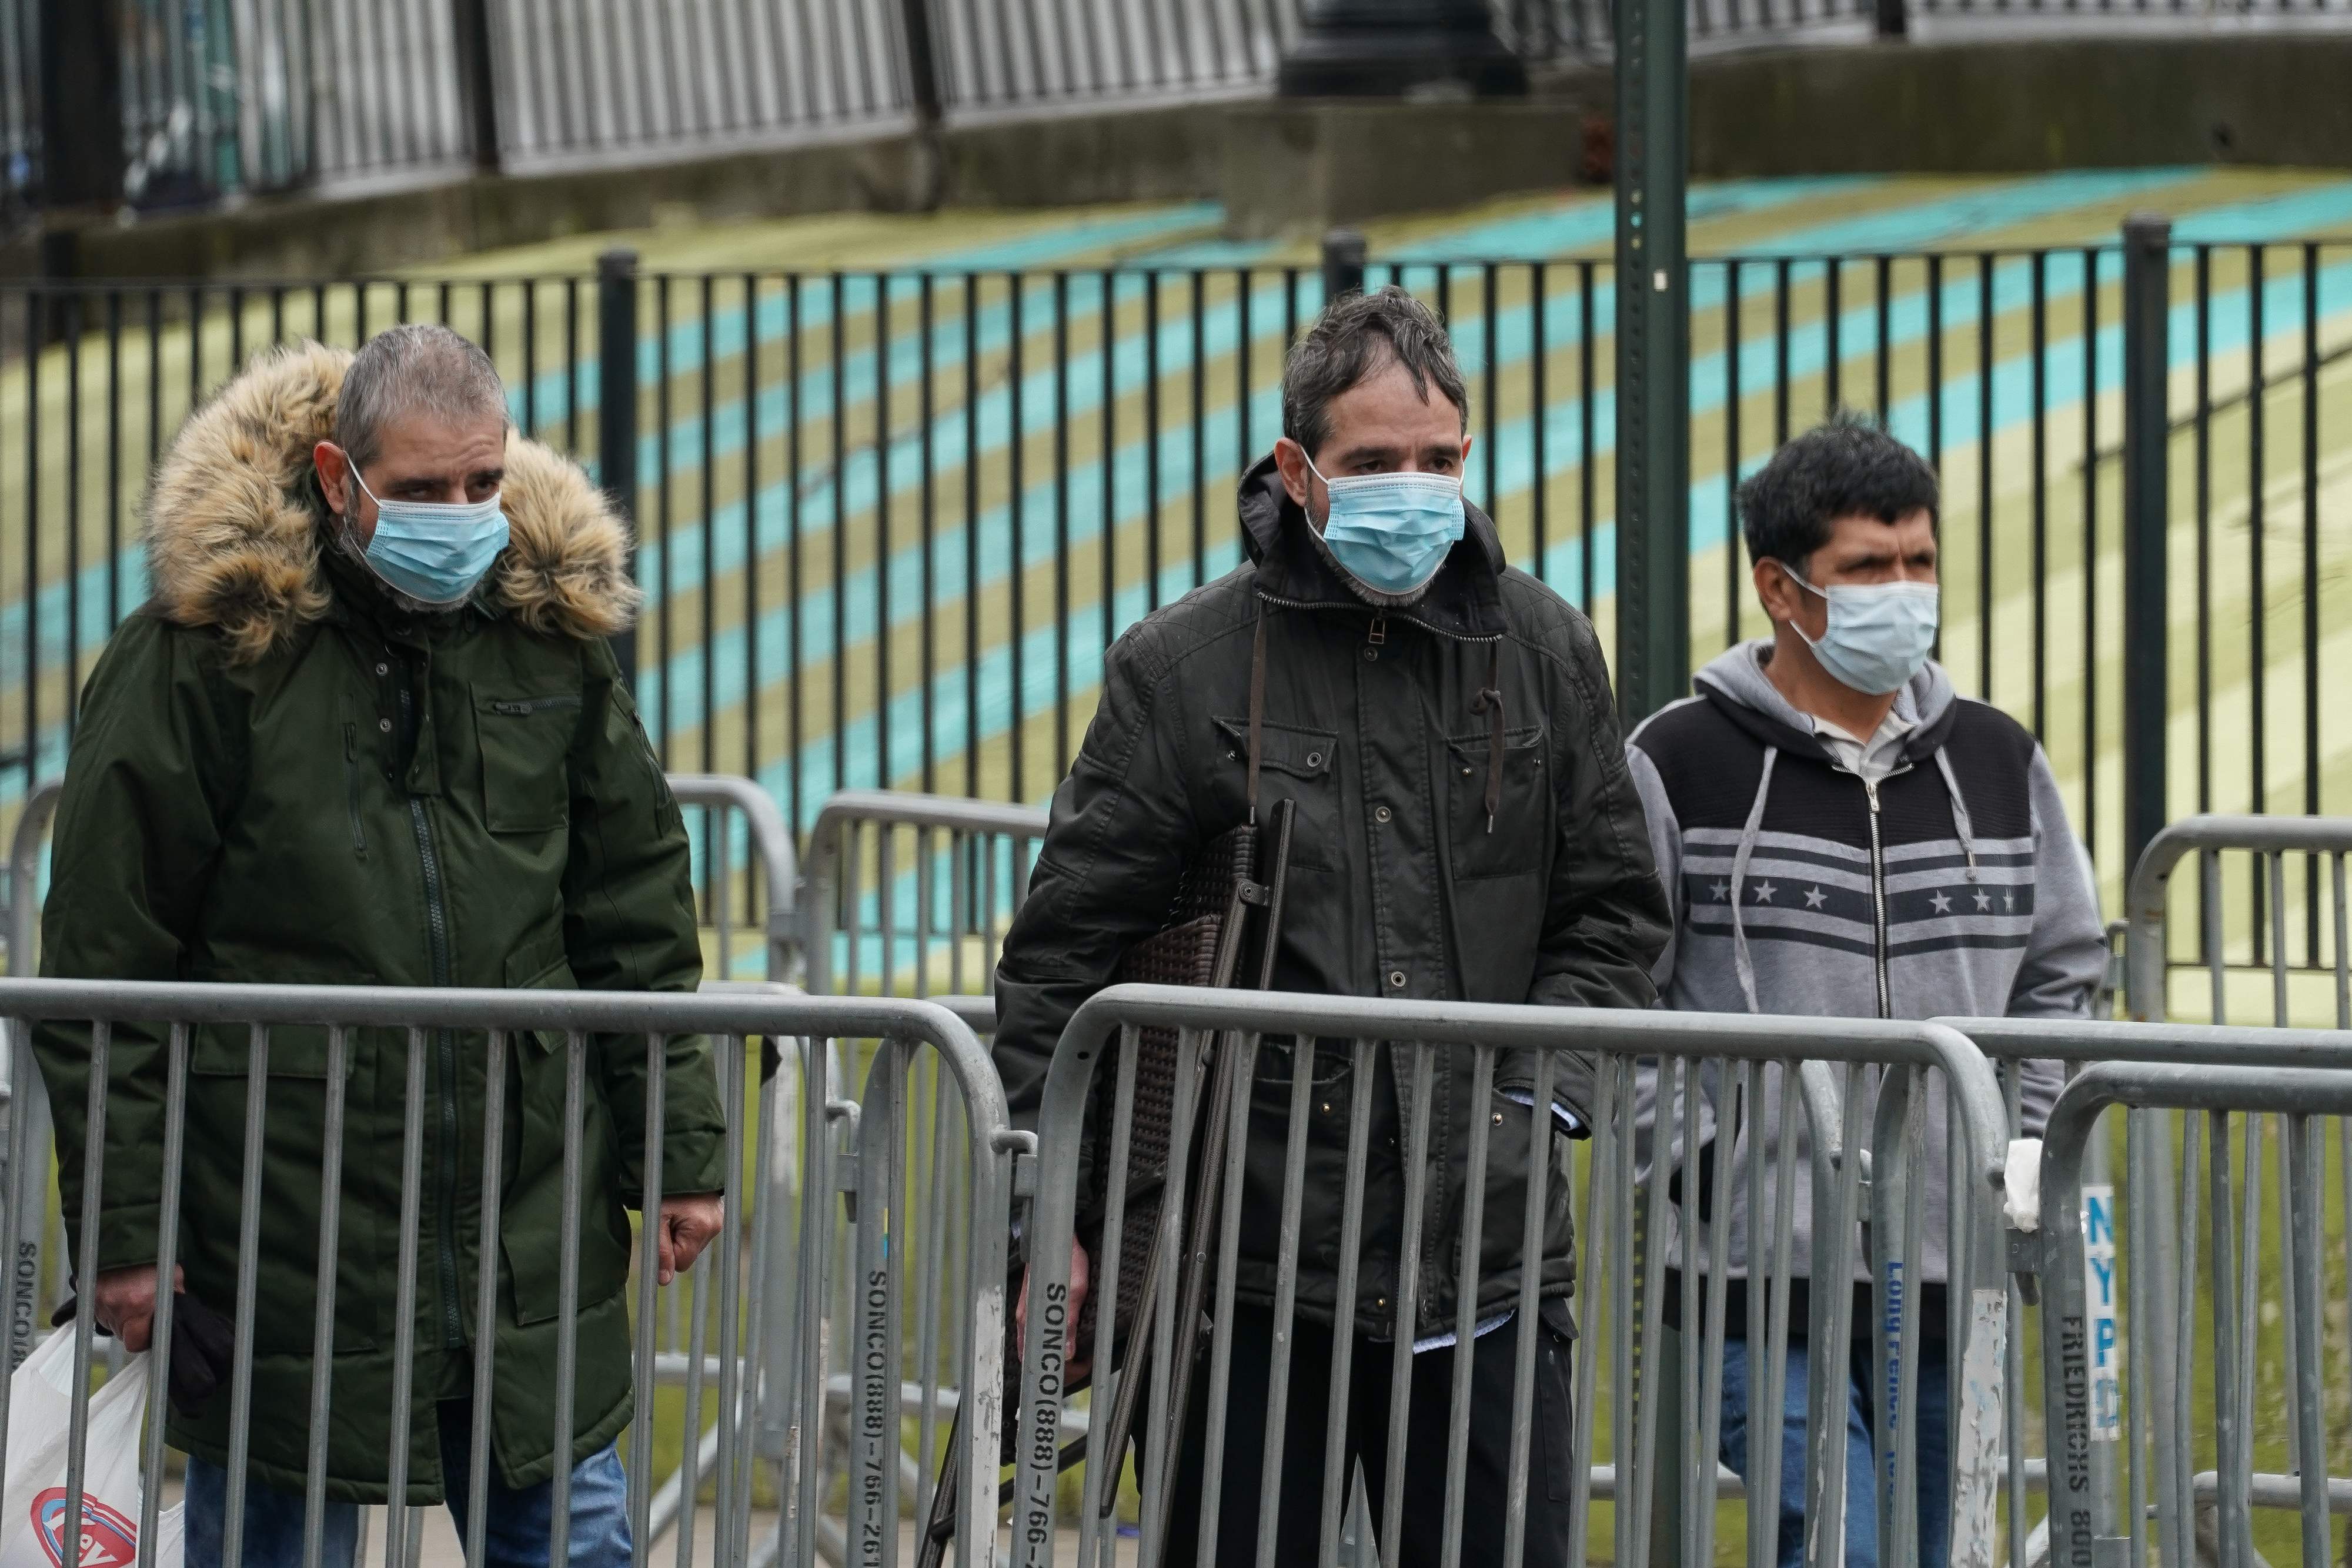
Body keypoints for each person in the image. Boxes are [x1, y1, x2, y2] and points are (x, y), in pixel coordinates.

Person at [991, 287, 1671, 1566]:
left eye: (1438, 459)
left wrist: (1532, 1098)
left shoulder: (1544, 650)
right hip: (1237, 1273)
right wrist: (1052, 1219)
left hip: (1486, 1266)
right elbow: (1059, 964)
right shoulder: (1181, 668)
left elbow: (1613, 912)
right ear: (1296, 469)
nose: (1412, 490)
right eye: (1372, 462)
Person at [35, 326, 728, 1568]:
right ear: (337, 477)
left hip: (526, 1226)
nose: (459, 515)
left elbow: (634, 910)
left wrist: (675, 1147)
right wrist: (128, 1228)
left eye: (482, 481)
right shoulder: (207, 655)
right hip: (282, 1235)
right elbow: (107, 953)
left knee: (574, 1543)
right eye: (421, 488)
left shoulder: (548, 638)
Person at [1625, 414, 2106, 1568]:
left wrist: (2028, 1146)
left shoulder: (1998, 758)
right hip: (1757, 1267)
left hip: (1960, 1257)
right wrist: (1693, 1160)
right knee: (1836, 1542)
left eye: (1918, 561)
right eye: (1867, 567)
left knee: (1947, 1546)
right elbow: (1619, 987)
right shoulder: (1675, 760)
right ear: (1779, 589)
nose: (1904, 590)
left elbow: (2063, 972)